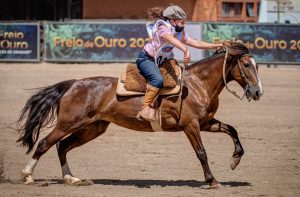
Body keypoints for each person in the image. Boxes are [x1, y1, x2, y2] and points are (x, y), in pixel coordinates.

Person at [136, 5, 223, 121]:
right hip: (146, 59)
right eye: (182, 22)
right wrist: (185, 49)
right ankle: (145, 108)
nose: (184, 25)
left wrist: (214, 46)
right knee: (158, 80)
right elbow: (170, 39)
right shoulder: (162, 27)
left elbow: (194, 43)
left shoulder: (178, 31)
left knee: (182, 76)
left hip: (162, 61)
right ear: (172, 21)